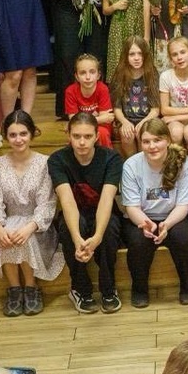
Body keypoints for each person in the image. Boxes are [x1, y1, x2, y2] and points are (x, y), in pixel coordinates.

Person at [0, 111, 63, 317]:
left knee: (23, 236)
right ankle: (14, 289)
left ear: (32, 134)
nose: (18, 139)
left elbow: (47, 204)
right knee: (8, 234)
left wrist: (30, 227)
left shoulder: (44, 164)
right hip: (8, 219)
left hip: (38, 227)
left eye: (23, 134)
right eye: (13, 135)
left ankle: (31, 287)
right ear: (6, 136)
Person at [50, 113, 123, 315]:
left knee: (109, 228)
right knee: (70, 228)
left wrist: (97, 236)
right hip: (75, 212)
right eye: (76, 136)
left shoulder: (111, 158)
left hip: (103, 211)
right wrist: (78, 240)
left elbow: (107, 199)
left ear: (97, 136)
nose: (82, 142)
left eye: (88, 136)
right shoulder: (57, 160)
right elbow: (67, 201)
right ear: (69, 136)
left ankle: (109, 288)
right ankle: (80, 290)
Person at [122, 119, 188, 306]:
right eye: (146, 141)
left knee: (183, 237)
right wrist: (146, 224)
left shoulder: (184, 163)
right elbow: (132, 207)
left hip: (175, 216)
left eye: (157, 140)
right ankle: (139, 289)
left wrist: (167, 224)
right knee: (138, 241)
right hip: (142, 216)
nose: (152, 146)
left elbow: (184, 205)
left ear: (168, 140)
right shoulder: (131, 165)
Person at [111, 35, 160, 159]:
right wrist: (124, 122)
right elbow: (117, 108)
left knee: (143, 133)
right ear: (126, 56)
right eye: (132, 54)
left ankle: (145, 164)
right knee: (127, 136)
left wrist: (144, 122)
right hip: (126, 119)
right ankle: (132, 164)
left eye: (140, 54)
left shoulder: (152, 74)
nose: (136, 58)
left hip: (148, 119)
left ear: (145, 55)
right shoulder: (119, 75)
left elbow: (155, 109)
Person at [64, 54, 115, 149]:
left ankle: (107, 157)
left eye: (92, 72)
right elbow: (74, 121)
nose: (88, 77)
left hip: (100, 127)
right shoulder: (70, 91)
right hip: (80, 128)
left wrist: (80, 120)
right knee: (75, 135)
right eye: (83, 73)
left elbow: (106, 120)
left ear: (98, 75)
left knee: (102, 133)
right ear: (76, 76)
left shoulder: (103, 89)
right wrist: (99, 118)